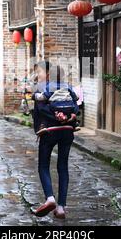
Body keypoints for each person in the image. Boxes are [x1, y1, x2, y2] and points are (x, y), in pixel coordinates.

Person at [31, 61, 76, 220]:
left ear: (49, 74)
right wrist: (68, 118)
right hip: (68, 131)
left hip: (49, 131)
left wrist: (56, 118)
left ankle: (50, 198)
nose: (38, 75)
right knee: (63, 166)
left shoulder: (42, 89)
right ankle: (61, 208)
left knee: (43, 165)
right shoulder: (67, 87)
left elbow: (41, 110)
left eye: (40, 72)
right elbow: (76, 105)